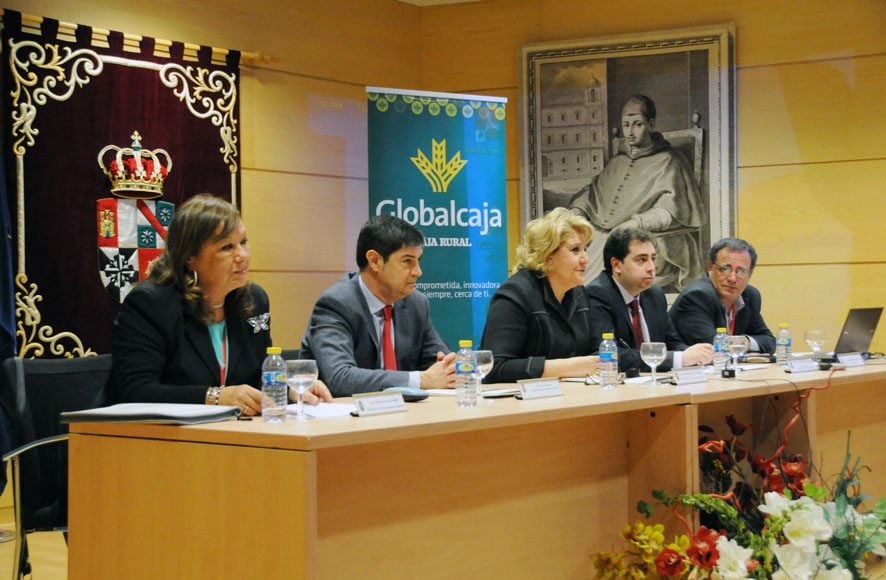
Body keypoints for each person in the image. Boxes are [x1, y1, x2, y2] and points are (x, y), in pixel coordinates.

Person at [108, 194, 332, 415]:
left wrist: (291, 388)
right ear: (190, 257)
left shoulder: (254, 301)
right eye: (227, 247)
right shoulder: (151, 304)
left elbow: (258, 375)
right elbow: (134, 390)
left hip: (232, 432)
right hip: (158, 435)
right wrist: (213, 397)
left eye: (243, 242)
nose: (242, 255)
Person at [300, 215, 454, 397]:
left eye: (418, 260)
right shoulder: (336, 304)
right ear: (374, 261)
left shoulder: (415, 304)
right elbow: (339, 377)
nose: (418, 271)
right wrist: (422, 380)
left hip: (406, 411)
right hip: (348, 412)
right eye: (407, 261)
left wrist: (451, 368)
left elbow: (440, 363)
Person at [565, 95, 706, 292]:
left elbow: (670, 212)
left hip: (649, 240)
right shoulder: (617, 162)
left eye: (637, 124)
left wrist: (634, 224)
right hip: (604, 235)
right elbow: (592, 194)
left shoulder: (670, 161)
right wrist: (577, 210)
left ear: (651, 124)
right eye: (626, 125)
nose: (630, 132)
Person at [479, 207, 599, 382]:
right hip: (520, 398)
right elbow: (494, 368)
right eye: (575, 250)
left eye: (585, 249)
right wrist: (564, 368)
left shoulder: (578, 293)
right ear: (548, 255)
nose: (585, 259)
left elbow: (595, 352)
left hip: (572, 394)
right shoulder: (515, 294)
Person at [585, 226, 713, 372]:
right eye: (642, 260)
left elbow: (671, 343)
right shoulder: (598, 294)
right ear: (616, 265)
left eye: (653, 259)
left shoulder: (654, 295)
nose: (652, 268)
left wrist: (695, 355)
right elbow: (608, 354)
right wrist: (679, 358)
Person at [669, 237, 776, 353]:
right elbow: (714, 348)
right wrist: (741, 348)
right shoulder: (697, 297)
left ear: (749, 274)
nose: (732, 278)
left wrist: (745, 342)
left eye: (741, 271)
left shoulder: (749, 296)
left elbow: (770, 341)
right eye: (725, 269)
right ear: (710, 267)